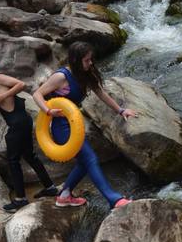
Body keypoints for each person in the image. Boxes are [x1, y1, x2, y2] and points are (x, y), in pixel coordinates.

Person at [33, 41, 137, 209]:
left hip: (75, 125)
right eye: (87, 60)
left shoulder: (85, 73)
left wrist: (121, 110)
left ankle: (64, 196)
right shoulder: (61, 77)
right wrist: (48, 111)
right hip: (61, 128)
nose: (90, 63)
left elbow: (101, 93)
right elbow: (37, 94)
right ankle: (114, 199)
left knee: (84, 162)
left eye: (91, 59)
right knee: (90, 158)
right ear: (76, 60)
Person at [0, 57, 58, 212]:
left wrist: (1, 97)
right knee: (30, 156)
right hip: (23, 121)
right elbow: (8, 97)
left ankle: (20, 199)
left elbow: (21, 84)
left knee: (13, 161)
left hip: (18, 125)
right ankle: (50, 187)